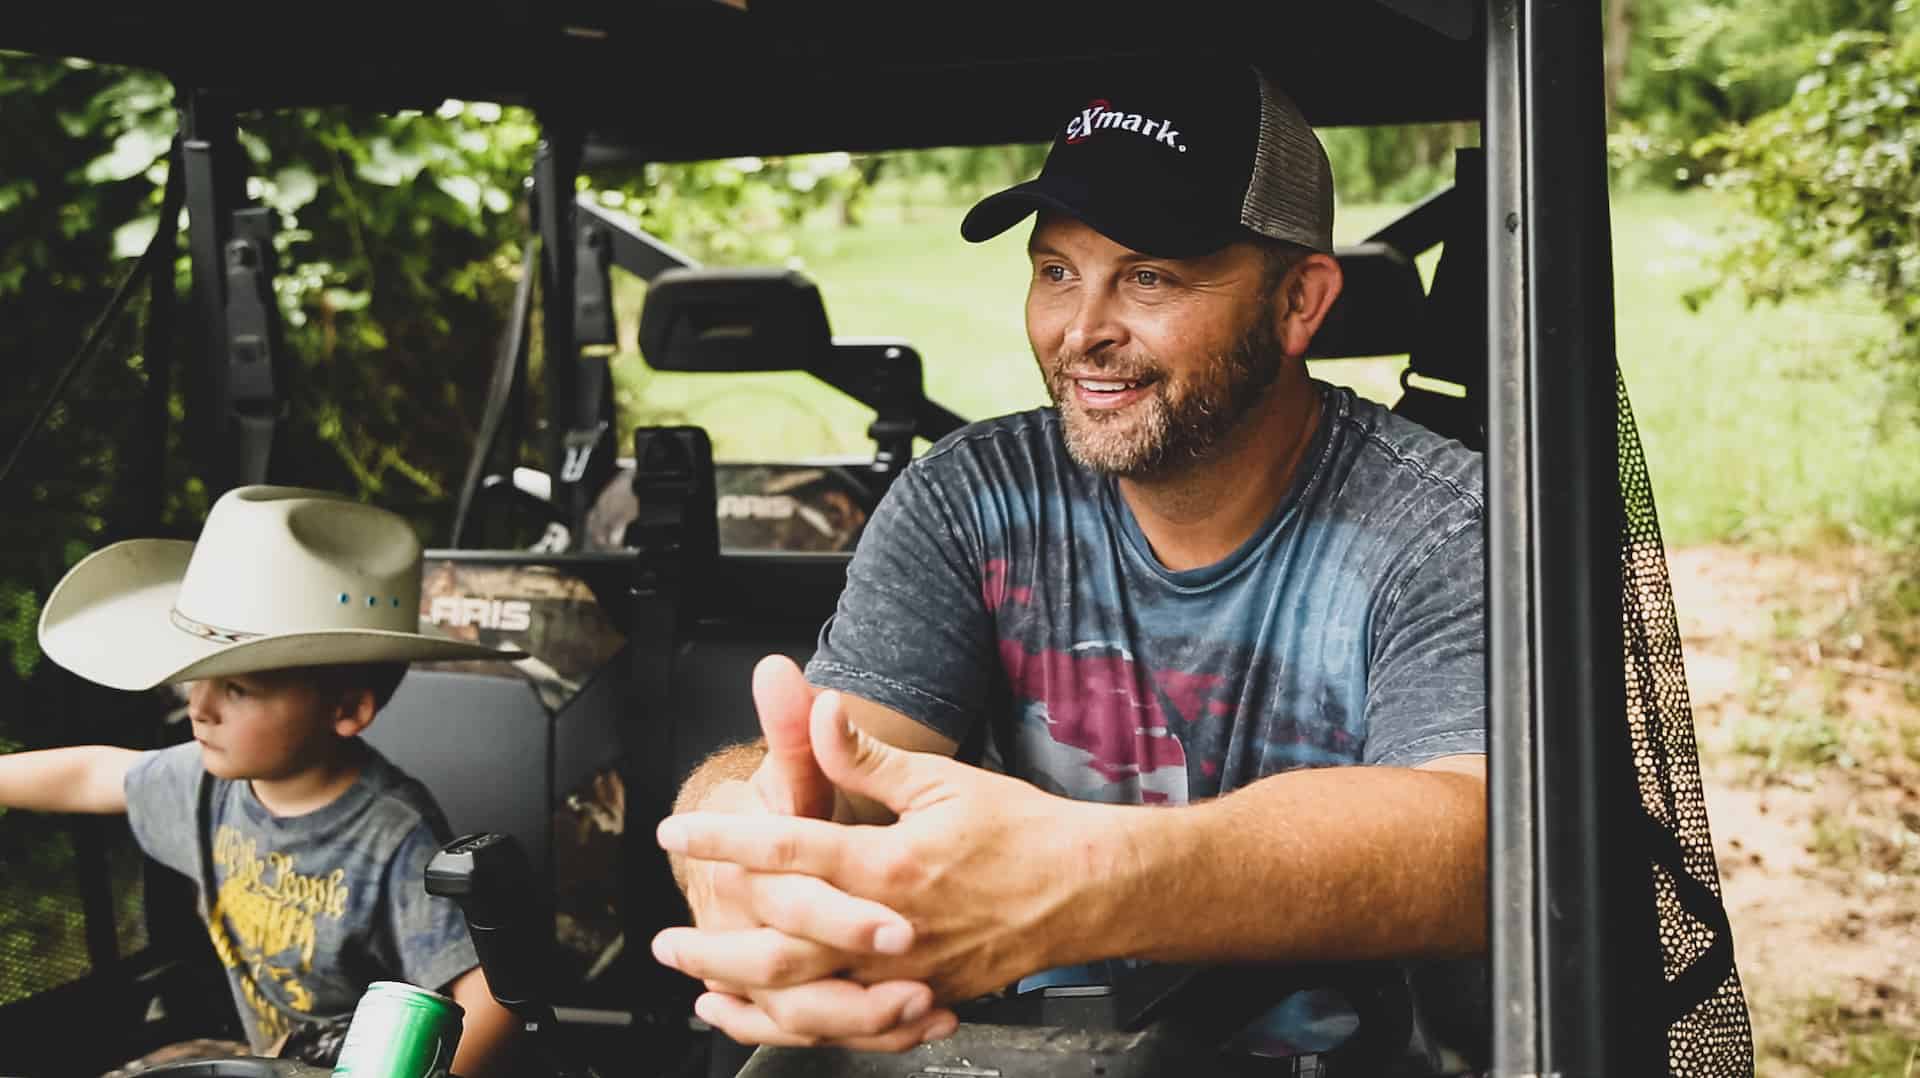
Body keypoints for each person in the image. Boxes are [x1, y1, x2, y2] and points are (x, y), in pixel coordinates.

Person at [651, 62, 1488, 1068]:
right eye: (1056, 270)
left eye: (1150, 277)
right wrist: (743, 840)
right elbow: (840, 770)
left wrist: (1090, 878)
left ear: (1299, 301)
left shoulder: (1443, 522)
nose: (1081, 330)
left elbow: (1474, 844)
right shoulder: (972, 500)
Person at [5, 485, 526, 1077]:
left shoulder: (394, 835)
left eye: (237, 688)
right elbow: (90, 775)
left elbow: (488, 1001)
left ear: (347, 710)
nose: (199, 708)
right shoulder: (205, 781)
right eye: (195, 679)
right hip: (268, 1061)